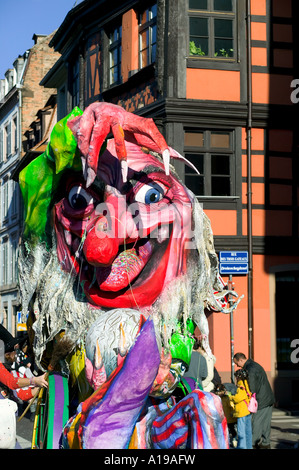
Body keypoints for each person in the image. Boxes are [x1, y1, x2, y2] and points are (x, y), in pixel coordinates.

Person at [234, 352, 275, 449]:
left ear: (241, 360)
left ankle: (253, 443)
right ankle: (266, 443)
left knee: (256, 422)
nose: (237, 366)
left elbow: (252, 388)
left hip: (261, 399)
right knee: (265, 423)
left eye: (237, 363)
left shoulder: (250, 369)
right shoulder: (254, 365)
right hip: (267, 397)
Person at [229, 369, 253, 449]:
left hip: (241, 411)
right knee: (248, 431)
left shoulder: (241, 385)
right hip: (247, 410)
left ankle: (242, 446)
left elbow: (238, 397)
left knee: (241, 431)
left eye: (236, 377)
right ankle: (248, 446)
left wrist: (231, 397)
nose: (235, 379)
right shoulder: (247, 384)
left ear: (239, 377)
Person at [214, 383, 237, 448]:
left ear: (223, 391)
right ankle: (226, 442)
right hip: (223, 419)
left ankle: (234, 439)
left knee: (232, 430)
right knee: (225, 431)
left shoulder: (227, 398)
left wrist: (232, 412)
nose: (218, 393)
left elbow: (232, 406)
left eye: (220, 392)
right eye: (217, 392)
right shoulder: (217, 399)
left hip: (230, 419)